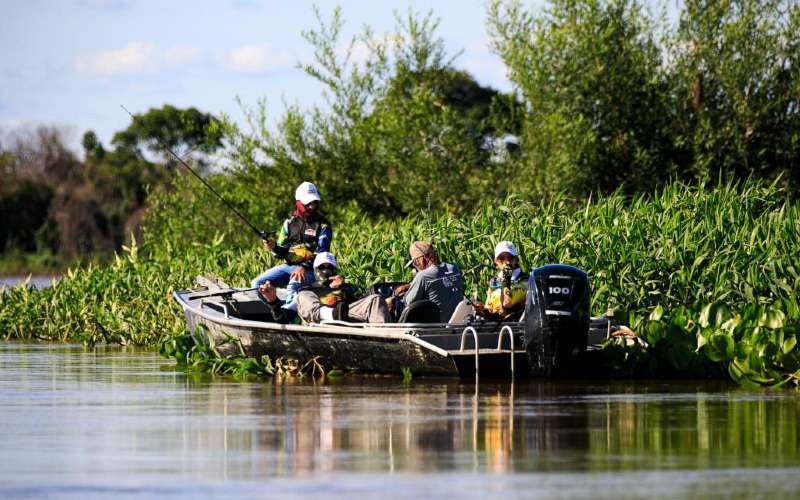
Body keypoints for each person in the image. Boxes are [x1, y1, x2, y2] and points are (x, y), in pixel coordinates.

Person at [251, 181, 332, 306]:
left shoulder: (323, 225)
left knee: (294, 284)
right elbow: (280, 253)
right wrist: (273, 247)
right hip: (289, 266)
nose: (312, 206)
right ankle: (277, 311)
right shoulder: (288, 223)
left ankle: (288, 318)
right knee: (256, 284)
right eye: (308, 203)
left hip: (313, 271)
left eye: (314, 203)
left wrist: (303, 267)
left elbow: (322, 254)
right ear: (299, 203)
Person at [292, 252, 393, 324]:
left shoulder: (345, 287)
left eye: (329, 267)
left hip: (346, 315)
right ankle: (332, 314)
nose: (326, 271)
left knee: (375, 299)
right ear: (315, 270)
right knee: (302, 295)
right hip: (322, 322)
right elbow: (305, 308)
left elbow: (360, 301)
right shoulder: (309, 290)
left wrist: (345, 287)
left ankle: (384, 342)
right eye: (322, 267)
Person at [388, 241, 464, 323]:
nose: (415, 266)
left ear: (421, 259)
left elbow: (406, 304)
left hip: (436, 326)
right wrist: (411, 285)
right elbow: (440, 283)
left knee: (389, 303)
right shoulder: (455, 268)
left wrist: (393, 301)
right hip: (456, 323)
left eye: (414, 263)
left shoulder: (423, 276)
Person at [473, 241, 529, 321]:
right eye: (501, 259)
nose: (507, 262)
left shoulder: (527, 280)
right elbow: (490, 309)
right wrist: (481, 310)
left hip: (519, 324)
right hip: (497, 327)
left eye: (510, 258)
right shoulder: (494, 282)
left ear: (516, 259)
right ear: (496, 261)